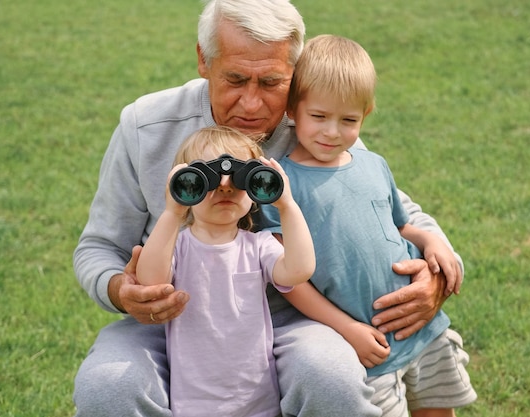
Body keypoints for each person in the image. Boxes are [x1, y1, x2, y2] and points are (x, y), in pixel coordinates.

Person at [73, 1, 464, 416]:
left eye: (272, 82)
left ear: (294, 74)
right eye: (236, 79)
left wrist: (435, 266)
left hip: (294, 315)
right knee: (108, 387)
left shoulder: (317, 125)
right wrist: (122, 290)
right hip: (174, 316)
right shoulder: (145, 126)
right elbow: (98, 247)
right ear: (204, 60)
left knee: (331, 376)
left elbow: (390, 206)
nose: (253, 103)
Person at [261, 34, 477, 417]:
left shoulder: (373, 164)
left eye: (348, 120)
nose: (332, 132)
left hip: (423, 328)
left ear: (366, 113)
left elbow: (400, 225)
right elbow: (289, 279)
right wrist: (348, 330)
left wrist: (431, 241)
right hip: (368, 341)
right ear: (293, 110)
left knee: (438, 408)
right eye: (319, 117)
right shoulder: (284, 187)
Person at [135, 126, 315, 417]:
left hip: (258, 402)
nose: (225, 187)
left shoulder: (258, 246)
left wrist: (287, 205)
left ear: (256, 189)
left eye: (241, 179)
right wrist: (172, 213)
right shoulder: (177, 246)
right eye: (208, 179)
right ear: (186, 185)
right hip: (193, 404)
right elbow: (151, 280)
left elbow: (299, 270)